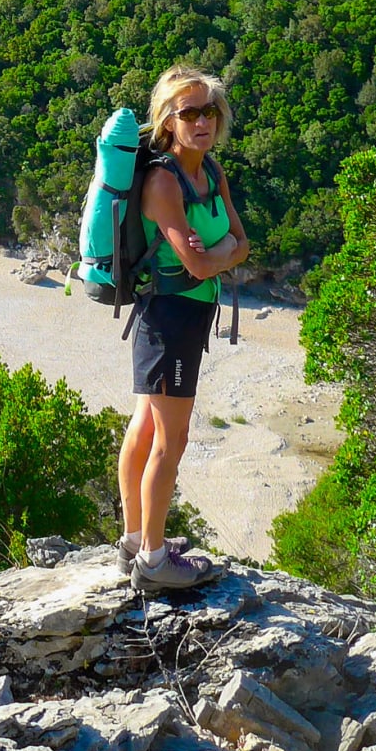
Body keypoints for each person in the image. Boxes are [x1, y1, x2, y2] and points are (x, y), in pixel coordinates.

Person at [117, 65, 248, 590]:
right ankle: (151, 560)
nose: (201, 121)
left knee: (147, 425)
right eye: (188, 112)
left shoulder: (211, 173)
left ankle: (134, 541)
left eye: (209, 111)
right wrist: (222, 255)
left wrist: (218, 252)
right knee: (171, 439)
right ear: (167, 122)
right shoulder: (163, 181)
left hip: (189, 315)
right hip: (167, 316)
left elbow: (243, 240)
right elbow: (200, 263)